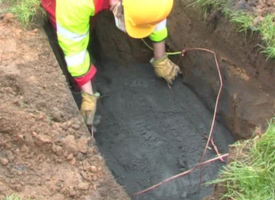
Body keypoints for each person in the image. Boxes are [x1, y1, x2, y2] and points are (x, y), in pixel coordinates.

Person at [41, 0, 181, 127]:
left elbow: (155, 14)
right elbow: (73, 49)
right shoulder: (76, 4)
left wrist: (160, 58)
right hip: (67, 7)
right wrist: (88, 96)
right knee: (71, 33)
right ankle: (79, 85)